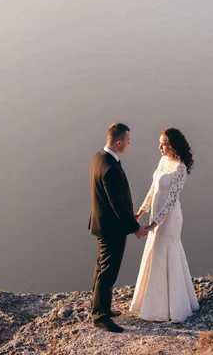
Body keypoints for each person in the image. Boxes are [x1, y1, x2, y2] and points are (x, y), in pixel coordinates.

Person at [130, 127, 200, 323]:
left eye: (165, 144)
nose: (160, 147)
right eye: (160, 143)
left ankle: (171, 306)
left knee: (166, 251)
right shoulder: (163, 161)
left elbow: (170, 202)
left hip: (170, 220)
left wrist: (153, 225)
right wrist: (140, 213)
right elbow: (153, 189)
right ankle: (151, 301)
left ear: (174, 145)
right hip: (155, 213)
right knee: (154, 251)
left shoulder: (180, 168)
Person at [89, 123, 148, 333]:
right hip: (111, 229)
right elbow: (117, 204)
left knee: (101, 268)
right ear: (119, 142)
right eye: (128, 141)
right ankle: (100, 316)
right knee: (108, 272)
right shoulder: (110, 169)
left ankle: (99, 307)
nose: (130, 144)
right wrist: (135, 228)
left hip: (102, 224)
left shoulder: (99, 159)